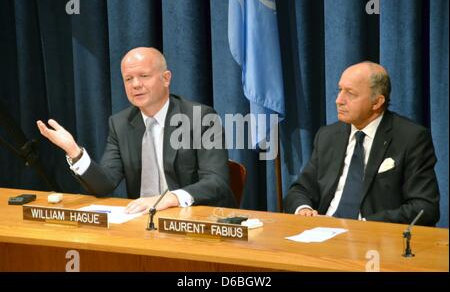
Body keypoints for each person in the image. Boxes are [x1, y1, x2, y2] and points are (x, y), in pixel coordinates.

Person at [37, 47, 235, 214]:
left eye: (144, 76)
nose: (136, 85)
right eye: (128, 79)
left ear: (166, 78)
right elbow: (105, 184)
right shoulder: (120, 123)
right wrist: (74, 152)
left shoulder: (200, 118)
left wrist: (171, 198)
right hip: (142, 222)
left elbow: (216, 182)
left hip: (193, 219)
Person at [284, 62, 440, 226]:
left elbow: (425, 208)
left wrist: (363, 224)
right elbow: (300, 189)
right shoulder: (328, 136)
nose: (338, 100)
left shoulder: (411, 138)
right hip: (323, 232)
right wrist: (303, 209)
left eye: (350, 93)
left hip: (375, 240)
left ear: (377, 102)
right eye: (339, 90)